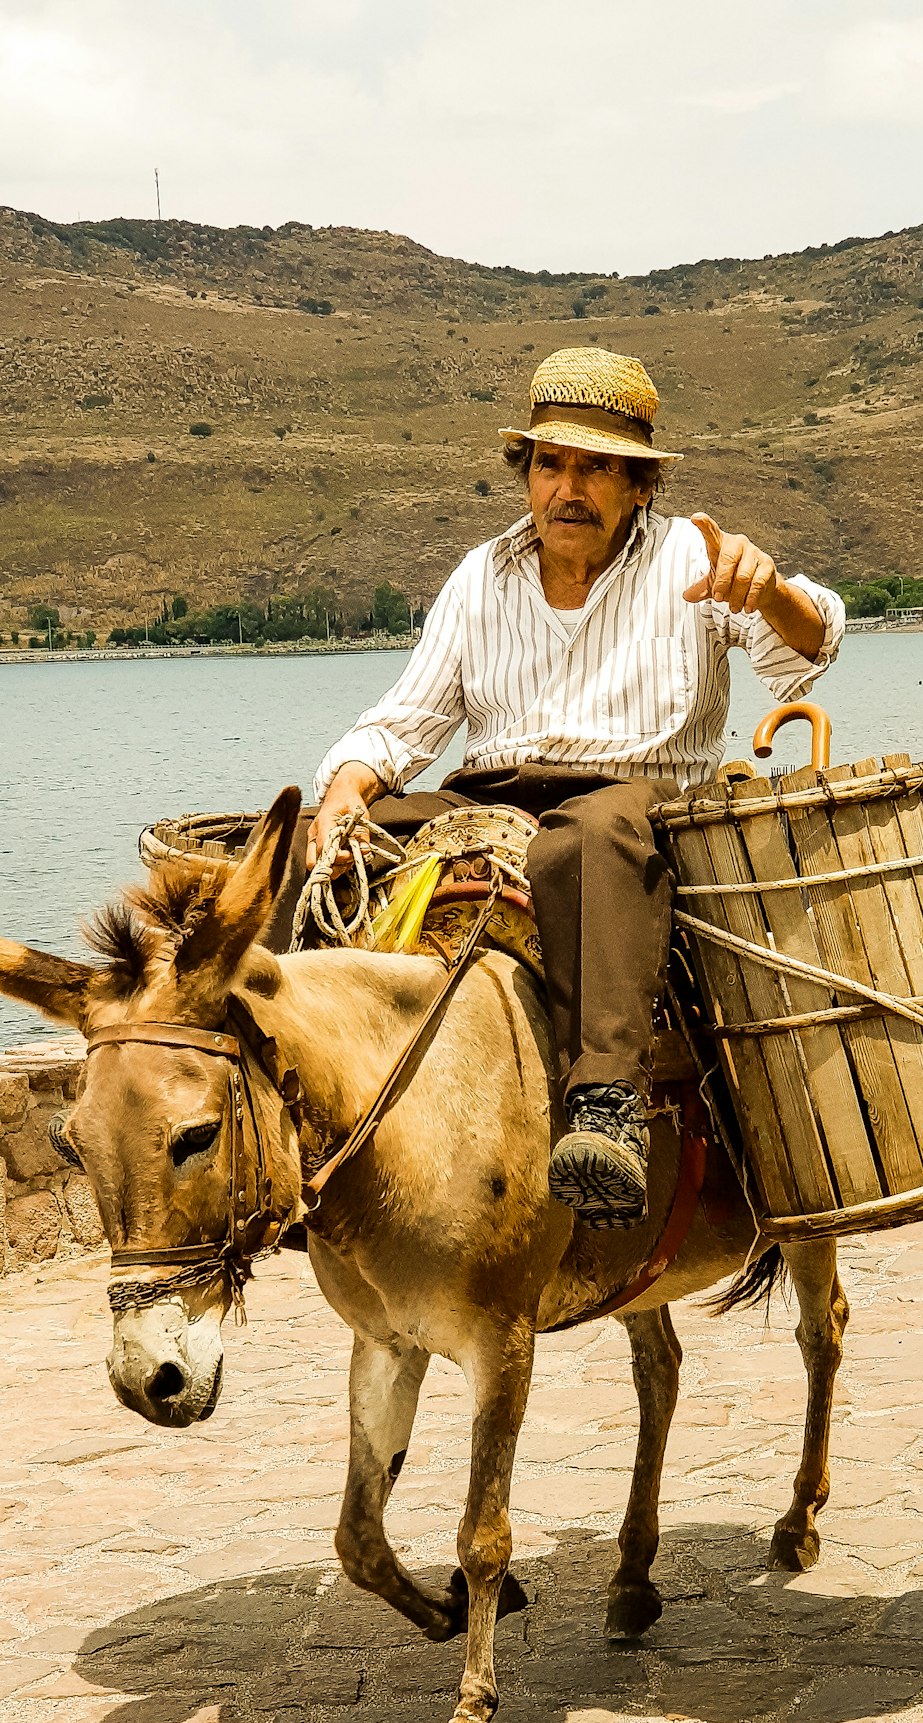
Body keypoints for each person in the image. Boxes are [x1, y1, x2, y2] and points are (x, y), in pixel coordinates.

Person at [307, 347, 845, 1230]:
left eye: (597, 466)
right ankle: (294, 1096)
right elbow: (405, 721)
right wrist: (348, 792)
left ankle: (606, 1107)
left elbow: (810, 649)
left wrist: (770, 589)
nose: (569, 487)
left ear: (640, 484)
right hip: (489, 797)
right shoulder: (483, 575)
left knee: (585, 838)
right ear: (526, 474)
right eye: (551, 463)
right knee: (328, 845)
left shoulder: (693, 558)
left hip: (635, 801)